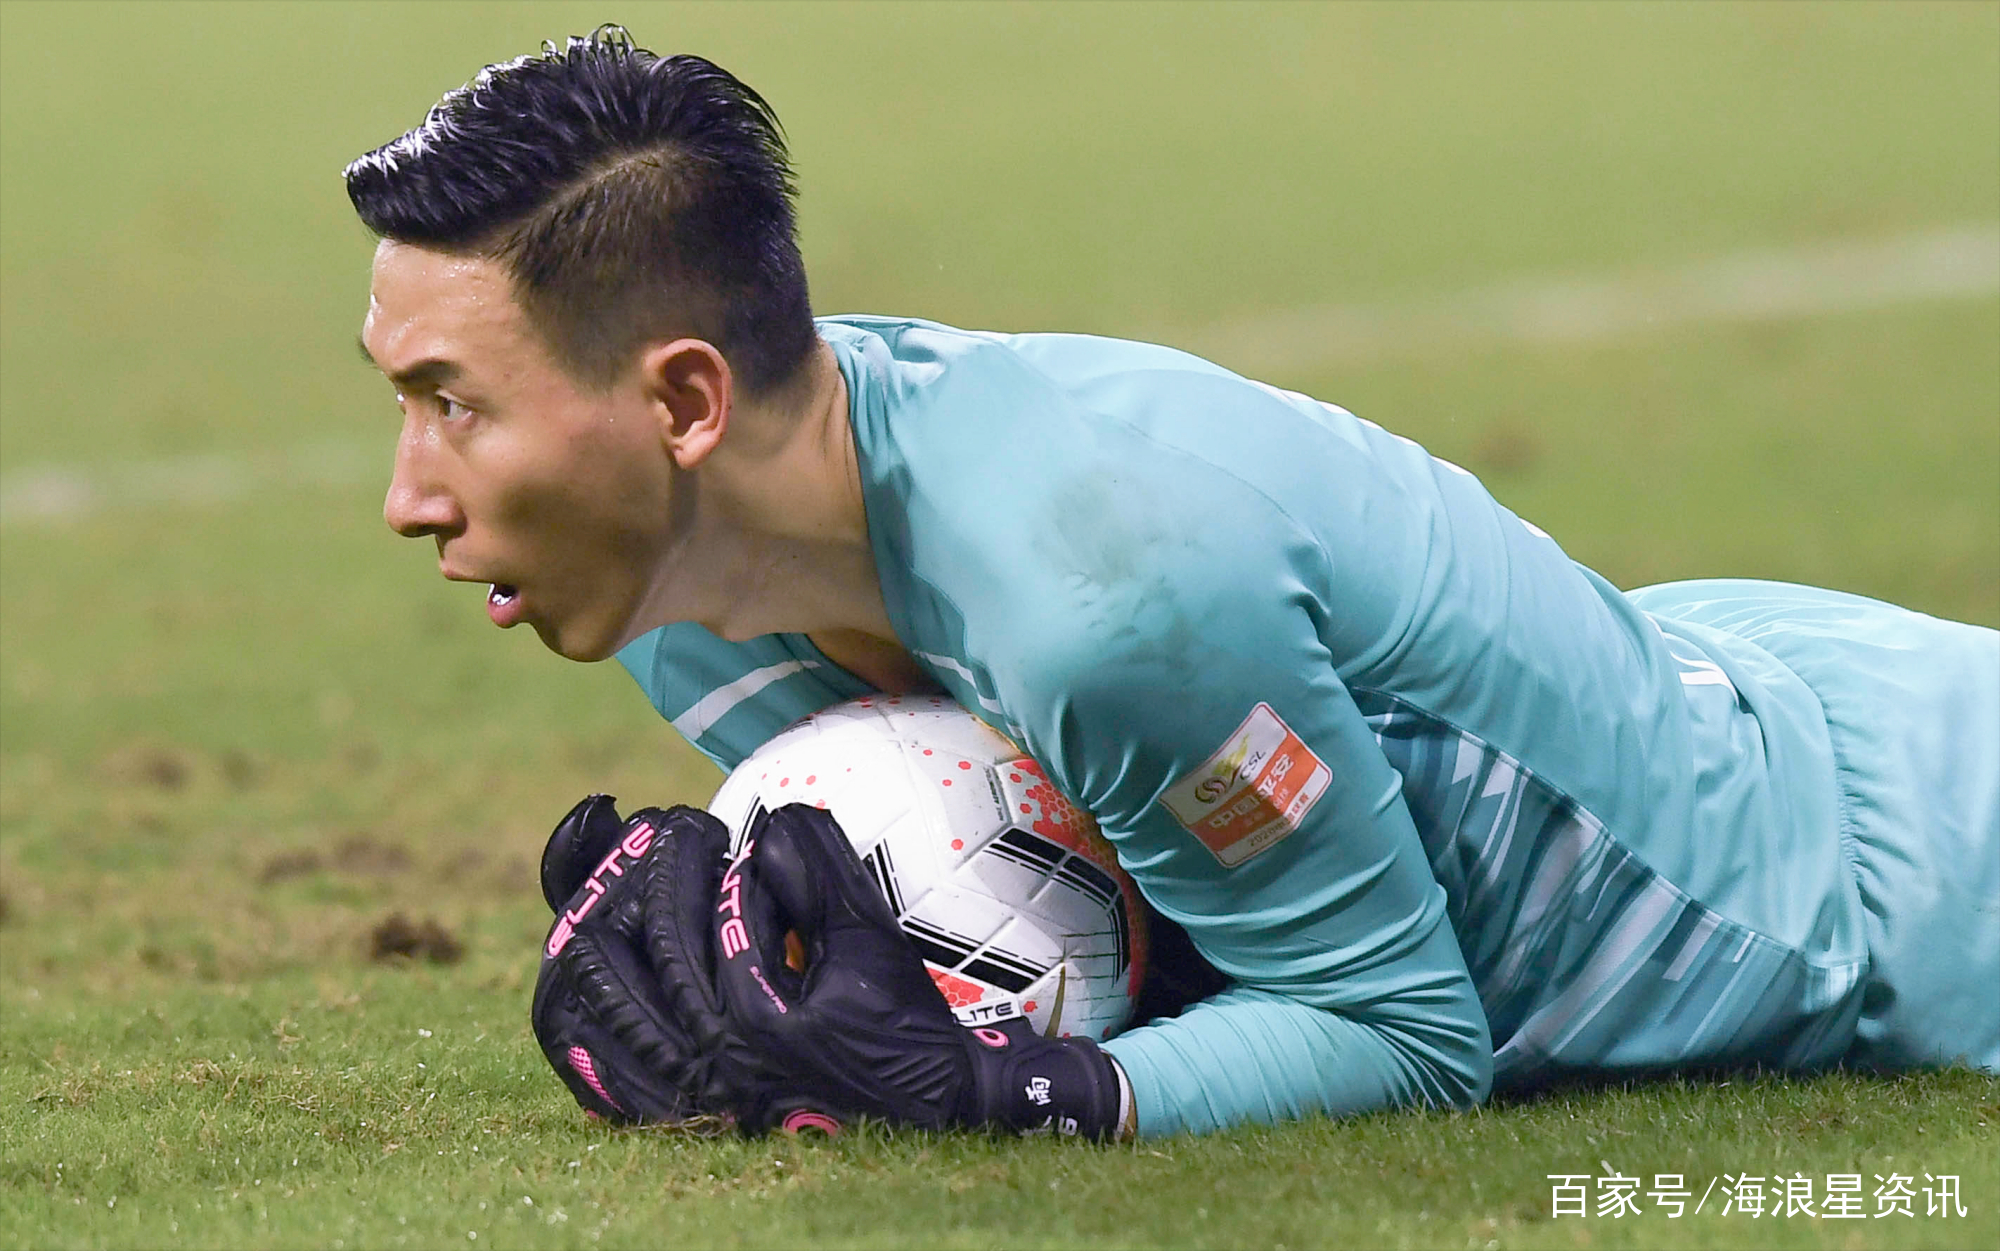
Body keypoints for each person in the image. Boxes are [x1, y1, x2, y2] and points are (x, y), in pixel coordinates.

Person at [345, 30, 1999, 1139]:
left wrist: (1026, 1099)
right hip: (1730, 683)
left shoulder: (1101, 595)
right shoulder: (684, 581)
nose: (410, 494)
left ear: (685, 402)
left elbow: (1406, 1034)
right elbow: (1098, 892)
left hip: (1911, 883)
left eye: (453, 404)